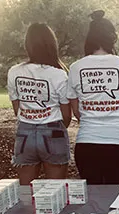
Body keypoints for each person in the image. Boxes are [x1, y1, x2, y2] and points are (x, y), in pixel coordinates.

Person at [67, 10, 119, 184]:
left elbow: (77, 112)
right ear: (112, 38)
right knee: (115, 197)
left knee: (92, 199)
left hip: (87, 142)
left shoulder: (76, 68)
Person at [7, 23, 71, 185]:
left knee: (26, 193)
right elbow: (66, 115)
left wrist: (31, 117)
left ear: (28, 45)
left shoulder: (15, 71)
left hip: (25, 133)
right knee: (55, 192)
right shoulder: (59, 74)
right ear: (52, 45)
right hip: (53, 131)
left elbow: (17, 108)